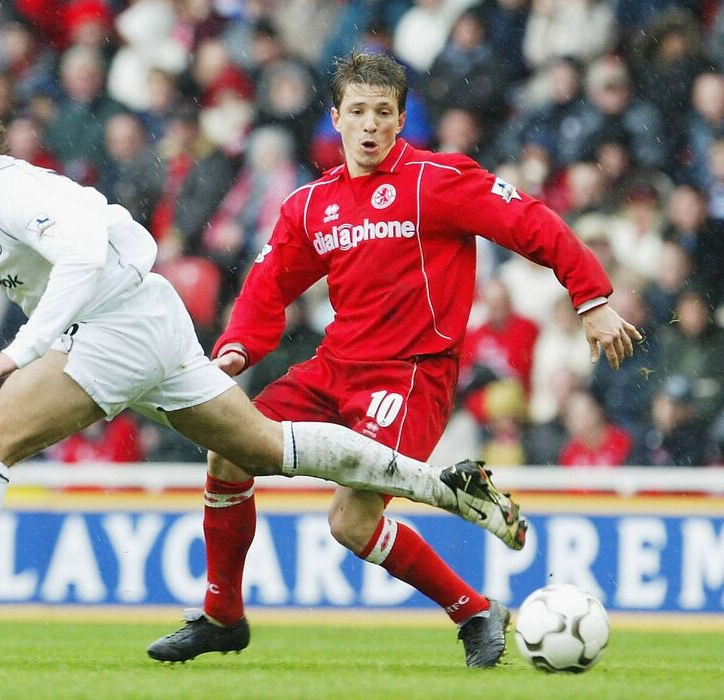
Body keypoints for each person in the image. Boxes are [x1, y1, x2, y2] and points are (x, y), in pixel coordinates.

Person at [0, 74, 525, 663]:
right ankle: (443, 488)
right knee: (258, 448)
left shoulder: (11, 191)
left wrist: (21, 351)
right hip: (143, 319)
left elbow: (83, 255)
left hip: (117, 320)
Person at [145, 52, 640, 669]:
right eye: (358, 112)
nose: (370, 125)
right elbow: (268, 285)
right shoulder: (312, 204)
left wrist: (590, 297)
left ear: (402, 119)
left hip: (411, 377)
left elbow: (528, 220)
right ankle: (223, 616)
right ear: (336, 118)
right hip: (333, 368)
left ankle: (472, 610)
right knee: (227, 448)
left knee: (350, 522)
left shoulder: (437, 180)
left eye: (383, 112)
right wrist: (237, 349)